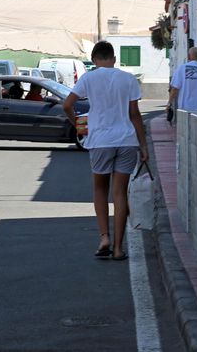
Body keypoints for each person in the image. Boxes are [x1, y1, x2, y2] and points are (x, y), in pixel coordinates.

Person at [63, 41, 148, 261]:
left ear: (94, 60)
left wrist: (80, 127)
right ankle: (119, 248)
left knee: (100, 189)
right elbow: (135, 114)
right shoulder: (128, 79)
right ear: (114, 59)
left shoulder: (88, 78)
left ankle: (104, 238)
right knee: (120, 192)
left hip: (100, 139)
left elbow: (67, 105)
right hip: (127, 140)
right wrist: (144, 144)